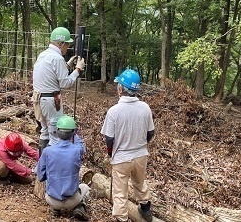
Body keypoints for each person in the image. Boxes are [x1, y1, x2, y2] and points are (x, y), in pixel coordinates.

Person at [100, 69, 155, 222]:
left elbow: (109, 138)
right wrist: (141, 144)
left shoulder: (114, 111)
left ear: (121, 89)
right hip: (140, 155)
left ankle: (121, 218)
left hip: (122, 157)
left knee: (119, 191)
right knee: (139, 182)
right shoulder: (145, 107)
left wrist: (111, 152)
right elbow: (151, 132)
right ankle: (145, 207)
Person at [32, 26, 85, 154]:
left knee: (45, 132)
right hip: (51, 100)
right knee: (55, 136)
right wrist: (78, 69)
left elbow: (52, 73)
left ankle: (42, 165)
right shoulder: (57, 58)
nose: (67, 47)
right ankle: (53, 167)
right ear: (60, 44)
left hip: (39, 99)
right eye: (67, 44)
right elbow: (65, 83)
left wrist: (67, 64)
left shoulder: (44, 55)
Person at [36, 115, 89, 221]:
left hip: (52, 199)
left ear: (57, 132)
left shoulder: (47, 151)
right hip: (72, 201)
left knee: (52, 182)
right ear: (73, 133)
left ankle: (56, 209)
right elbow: (81, 145)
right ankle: (79, 208)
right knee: (85, 188)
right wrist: (75, 134)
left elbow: (40, 174)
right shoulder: (77, 150)